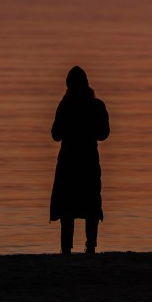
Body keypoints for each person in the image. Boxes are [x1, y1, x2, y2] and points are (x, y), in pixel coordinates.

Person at [49, 65, 110, 254]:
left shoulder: (65, 105)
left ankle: (66, 248)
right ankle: (90, 246)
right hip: (89, 161)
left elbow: (55, 135)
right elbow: (104, 134)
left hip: (68, 161)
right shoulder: (96, 105)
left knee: (67, 206)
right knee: (90, 203)